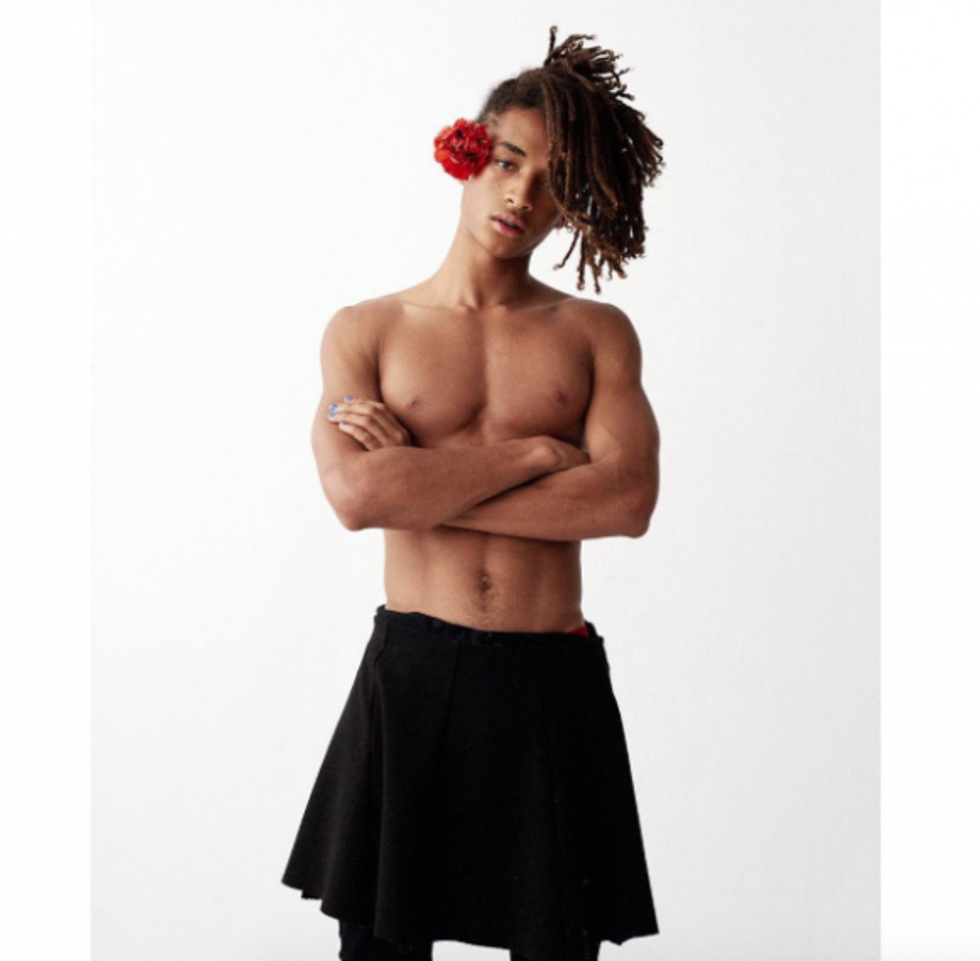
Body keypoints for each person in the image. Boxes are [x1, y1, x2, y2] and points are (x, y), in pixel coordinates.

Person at [282, 25, 666, 961]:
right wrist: (535, 453)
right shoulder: (366, 329)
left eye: (552, 180)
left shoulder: (596, 334)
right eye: (508, 161)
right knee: (381, 947)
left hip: (551, 679)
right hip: (412, 673)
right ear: (467, 155)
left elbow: (626, 502)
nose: (522, 194)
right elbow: (356, 494)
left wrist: (418, 481)